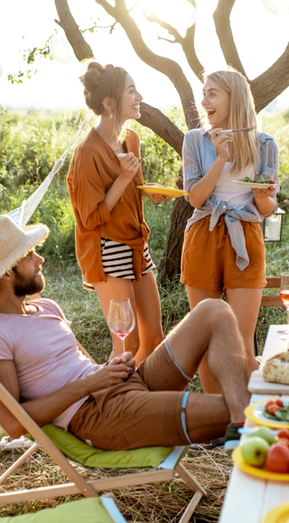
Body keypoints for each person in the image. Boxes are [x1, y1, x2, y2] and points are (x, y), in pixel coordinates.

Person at [0, 215, 256, 453]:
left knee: (213, 310)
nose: (40, 259)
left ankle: (240, 420)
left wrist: (109, 370)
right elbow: (14, 423)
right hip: (99, 417)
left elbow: (82, 365)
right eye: (28, 255)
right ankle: (244, 419)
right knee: (255, 409)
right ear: (5, 273)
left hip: (123, 384)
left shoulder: (47, 307)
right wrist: (91, 384)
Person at [180, 69, 277, 393]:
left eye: (212, 93)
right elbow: (195, 198)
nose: (203, 100)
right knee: (207, 338)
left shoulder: (264, 145)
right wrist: (220, 159)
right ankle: (214, 419)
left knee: (241, 338)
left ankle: (246, 421)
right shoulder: (195, 140)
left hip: (245, 236)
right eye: (203, 93)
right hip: (204, 233)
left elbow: (266, 209)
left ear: (233, 98)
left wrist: (265, 197)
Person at [67, 62, 168, 364]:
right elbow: (90, 218)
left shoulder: (131, 139)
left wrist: (146, 189)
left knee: (153, 338)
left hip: (137, 243)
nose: (139, 96)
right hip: (108, 248)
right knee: (127, 341)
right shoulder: (87, 153)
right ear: (109, 102)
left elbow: (130, 186)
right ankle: (115, 406)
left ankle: (142, 401)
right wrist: (124, 178)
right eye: (131, 91)